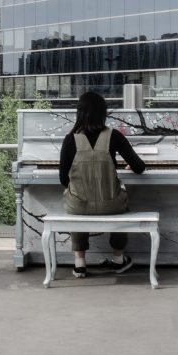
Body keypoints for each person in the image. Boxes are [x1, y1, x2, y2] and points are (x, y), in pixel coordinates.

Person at [58, 91, 146, 278]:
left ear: (79, 113)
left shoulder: (69, 139)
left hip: (79, 205)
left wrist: (80, 185)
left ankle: (80, 264)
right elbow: (139, 167)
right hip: (111, 205)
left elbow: (62, 179)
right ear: (103, 112)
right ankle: (118, 259)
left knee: (76, 199)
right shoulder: (114, 136)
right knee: (122, 202)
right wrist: (128, 165)